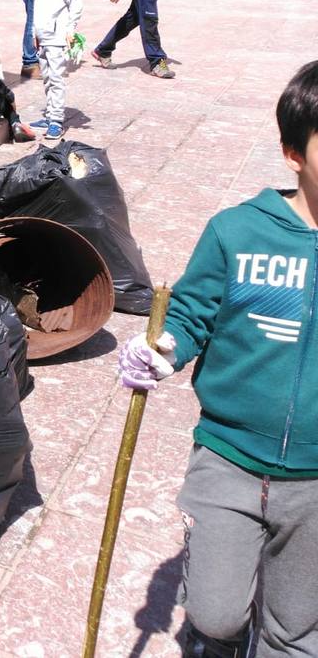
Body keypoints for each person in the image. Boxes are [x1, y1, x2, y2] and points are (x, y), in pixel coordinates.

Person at [117, 60, 318, 658]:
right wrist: (163, 348)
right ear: (294, 154)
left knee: (297, 629)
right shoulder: (237, 232)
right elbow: (190, 313)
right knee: (216, 612)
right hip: (228, 460)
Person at [24, 0, 82, 143]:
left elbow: (75, 2)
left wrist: (70, 29)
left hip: (57, 39)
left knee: (56, 79)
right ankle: (50, 115)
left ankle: (56, 120)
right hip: (43, 38)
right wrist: (34, 33)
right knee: (47, 77)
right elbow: (37, 8)